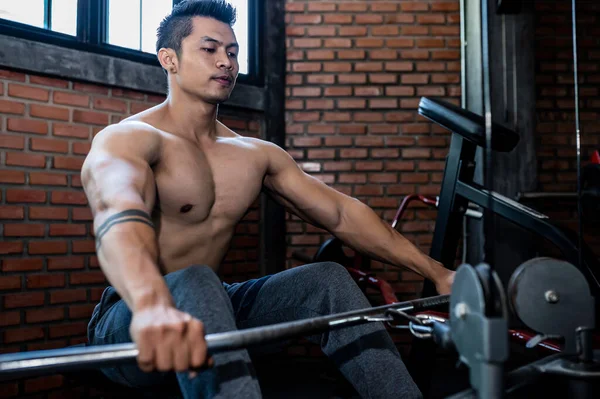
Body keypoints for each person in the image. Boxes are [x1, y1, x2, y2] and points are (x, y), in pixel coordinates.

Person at [82, 0, 455, 397]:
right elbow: (116, 215)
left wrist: (436, 273)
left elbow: (342, 215)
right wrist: (150, 302)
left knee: (325, 279)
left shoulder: (254, 155)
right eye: (209, 50)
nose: (226, 61)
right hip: (133, 316)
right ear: (169, 59)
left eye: (232, 51)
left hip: (216, 307)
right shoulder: (129, 138)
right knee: (195, 279)